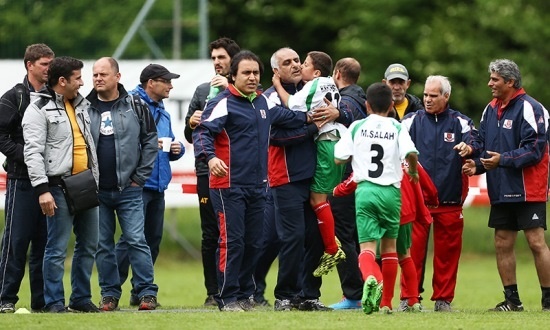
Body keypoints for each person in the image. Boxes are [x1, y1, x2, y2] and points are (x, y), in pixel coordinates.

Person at [193, 50, 310, 312]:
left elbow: (291, 119)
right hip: (228, 186)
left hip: (259, 186)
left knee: (255, 242)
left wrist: (313, 118)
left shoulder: (263, 102)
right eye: (246, 72)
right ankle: (227, 297)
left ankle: (246, 294)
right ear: (232, 76)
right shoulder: (223, 102)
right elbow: (202, 133)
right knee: (232, 241)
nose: (252, 77)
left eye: (256, 72)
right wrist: (210, 159)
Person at [459, 59, 550, 312]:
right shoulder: (490, 109)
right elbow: (481, 140)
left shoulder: (532, 108)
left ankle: (548, 301)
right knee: (502, 241)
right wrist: (473, 160)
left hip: (528, 186)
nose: (490, 83)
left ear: (510, 82)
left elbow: (535, 149)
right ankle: (512, 301)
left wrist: (502, 160)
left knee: (535, 241)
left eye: (495, 79)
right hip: (500, 186)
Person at [266, 47, 351, 312]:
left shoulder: (313, 89)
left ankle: (309, 295)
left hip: (310, 173)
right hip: (287, 176)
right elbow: (276, 135)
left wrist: (338, 114)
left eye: (296, 60)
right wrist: (310, 125)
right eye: (287, 62)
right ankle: (284, 295)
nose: (294, 65)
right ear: (276, 72)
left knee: (313, 237)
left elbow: (349, 108)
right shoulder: (271, 97)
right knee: (293, 236)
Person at [22, 56, 100, 313]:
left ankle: (80, 298)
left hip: (86, 182)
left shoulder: (81, 105)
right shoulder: (38, 109)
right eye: (78, 77)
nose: (82, 82)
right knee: (56, 248)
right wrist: (42, 189)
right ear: (62, 80)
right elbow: (32, 152)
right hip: (56, 186)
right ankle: (54, 302)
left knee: (89, 244)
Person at [334, 82, 419, 315]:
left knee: (367, 250)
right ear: (392, 105)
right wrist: (412, 170)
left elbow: (339, 157)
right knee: (390, 249)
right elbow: (411, 153)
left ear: (366, 105)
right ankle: (386, 303)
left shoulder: (357, 126)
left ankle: (372, 277)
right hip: (391, 193)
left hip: (365, 191)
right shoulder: (396, 126)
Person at [87, 57, 159, 311]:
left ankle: (146, 293)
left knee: (136, 240)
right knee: (103, 245)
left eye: (103, 74)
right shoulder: (83, 107)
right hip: (96, 191)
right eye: (95, 74)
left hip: (129, 189)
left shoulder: (136, 105)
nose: (97, 78)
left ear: (117, 77)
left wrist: (140, 177)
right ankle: (109, 294)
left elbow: (151, 141)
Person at [401, 75, 478, 312]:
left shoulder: (461, 122)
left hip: (450, 198)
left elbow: (476, 141)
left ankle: (443, 300)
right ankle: (409, 299)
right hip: (417, 200)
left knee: (447, 254)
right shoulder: (410, 121)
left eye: (433, 95)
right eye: (425, 94)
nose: (427, 99)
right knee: (411, 252)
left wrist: (470, 148)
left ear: (446, 96)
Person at [116, 63, 184, 306]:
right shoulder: (131, 104)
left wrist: (177, 149)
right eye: (167, 81)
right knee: (130, 240)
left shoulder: (161, 109)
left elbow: (170, 141)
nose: (171, 85)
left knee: (152, 239)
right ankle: (111, 291)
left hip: (158, 185)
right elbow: (120, 141)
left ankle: (139, 292)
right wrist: (146, 145)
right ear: (151, 83)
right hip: (137, 184)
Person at [184, 37, 240, 306]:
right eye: (214, 58)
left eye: (222, 58)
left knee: (240, 233)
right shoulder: (202, 90)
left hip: (240, 172)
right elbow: (190, 134)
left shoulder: (246, 88)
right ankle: (212, 291)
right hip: (208, 171)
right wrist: (192, 121)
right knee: (211, 232)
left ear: (233, 61)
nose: (217, 63)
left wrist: (229, 88)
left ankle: (240, 288)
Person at [0, 43, 53, 314]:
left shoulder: (55, 97)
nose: (49, 69)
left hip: (50, 183)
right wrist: (27, 155)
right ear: (29, 65)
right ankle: (5, 298)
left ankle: (41, 302)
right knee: (15, 242)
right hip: (21, 181)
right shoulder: (14, 97)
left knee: (45, 244)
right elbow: (1, 137)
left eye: (50, 64)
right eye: (44, 64)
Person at [326, 57, 367, 310]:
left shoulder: (349, 98)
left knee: (342, 235)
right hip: (366, 181)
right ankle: (369, 288)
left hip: (347, 178)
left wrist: (339, 112)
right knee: (362, 237)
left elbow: (350, 111)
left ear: (337, 73)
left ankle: (354, 294)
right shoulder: (365, 97)